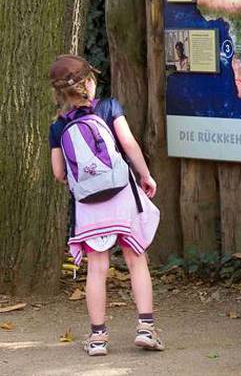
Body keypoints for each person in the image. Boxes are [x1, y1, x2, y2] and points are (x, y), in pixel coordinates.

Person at [48, 55, 163, 357]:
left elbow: (59, 173)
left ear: (60, 93)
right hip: (121, 196)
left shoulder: (58, 126)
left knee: (97, 268)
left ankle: (98, 338)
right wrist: (145, 174)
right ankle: (146, 328)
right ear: (89, 81)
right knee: (136, 259)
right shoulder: (109, 107)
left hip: (88, 206)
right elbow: (129, 144)